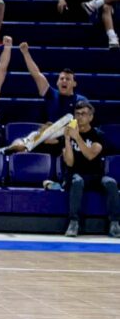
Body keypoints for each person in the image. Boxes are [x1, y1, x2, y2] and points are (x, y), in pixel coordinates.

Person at [4, 42, 85, 155]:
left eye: (68, 79)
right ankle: (9, 149)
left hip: (66, 139)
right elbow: (36, 74)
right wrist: (25, 53)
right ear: (57, 82)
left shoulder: (80, 100)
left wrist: (60, 132)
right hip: (45, 136)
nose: (64, 81)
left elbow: (81, 123)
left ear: (74, 84)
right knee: (21, 143)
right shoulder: (52, 94)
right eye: (61, 78)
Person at [60, 101, 119, 238]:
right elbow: (69, 162)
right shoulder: (68, 134)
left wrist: (78, 138)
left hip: (95, 176)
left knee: (110, 182)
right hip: (74, 175)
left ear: (91, 117)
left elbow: (90, 155)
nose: (80, 117)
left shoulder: (98, 135)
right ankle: (74, 222)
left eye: (84, 114)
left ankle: (115, 223)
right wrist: (68, 139)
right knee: (77, 180)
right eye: (77, 114)